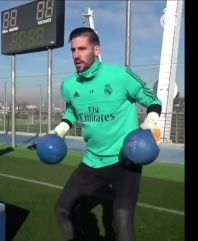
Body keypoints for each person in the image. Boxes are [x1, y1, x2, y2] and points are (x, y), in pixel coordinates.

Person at [50, 27, 162, 241]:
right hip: (92, 161)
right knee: (62, 209)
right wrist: (60, 130)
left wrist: (150, 122)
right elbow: (73, 110)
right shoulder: (69, 85)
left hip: (125, 162)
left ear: (97, 49)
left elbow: (152, 99)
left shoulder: (120, 75)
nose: (76, 55)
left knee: (121, 219)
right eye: (73, 50)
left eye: (82, 49)